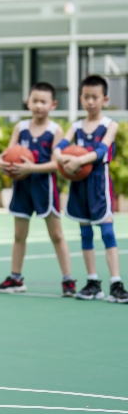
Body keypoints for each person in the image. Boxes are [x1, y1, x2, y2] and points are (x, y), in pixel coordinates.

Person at [0, 82, 74, 296]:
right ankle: (16, 278)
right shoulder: (20, 127)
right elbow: (8, 152)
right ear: (28, 102)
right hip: (21, 185)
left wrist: (32, 167)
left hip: (44, 186)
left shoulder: (55, 130)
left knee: (56, 234)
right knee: (19, 235)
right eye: (34, 101)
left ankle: (68, 280)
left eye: (43, 101)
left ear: (53, 104)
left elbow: (58, 164)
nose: (38, 105)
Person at [54, 74, 128, 304]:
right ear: (80, 98)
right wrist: (60, 157)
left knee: (107, 232)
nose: (90, 102)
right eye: (86, 97)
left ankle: (116, 283)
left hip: (98, 182)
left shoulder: (110, 125)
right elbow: (60, 146)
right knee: (85, 233)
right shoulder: (76, 126)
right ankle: (93, 282)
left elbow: (101, 149)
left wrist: (78, 161)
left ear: (105, 99)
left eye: (95, 97)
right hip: (79, 183)